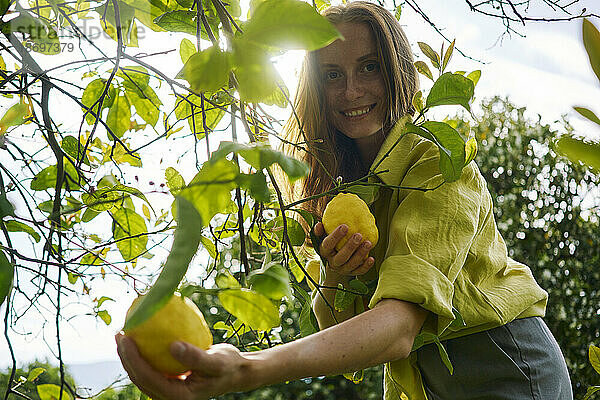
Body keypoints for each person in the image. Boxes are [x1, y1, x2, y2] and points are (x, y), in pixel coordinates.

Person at [115, 2, 573, 399]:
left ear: (396, 70)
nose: (351, 91)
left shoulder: (436, 162)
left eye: (368, 67)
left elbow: (396, 328)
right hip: (434, 385)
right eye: (332, 74)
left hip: (510, 370)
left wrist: (247, 368)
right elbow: (337, 326)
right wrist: (336, 269)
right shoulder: (339, 184)